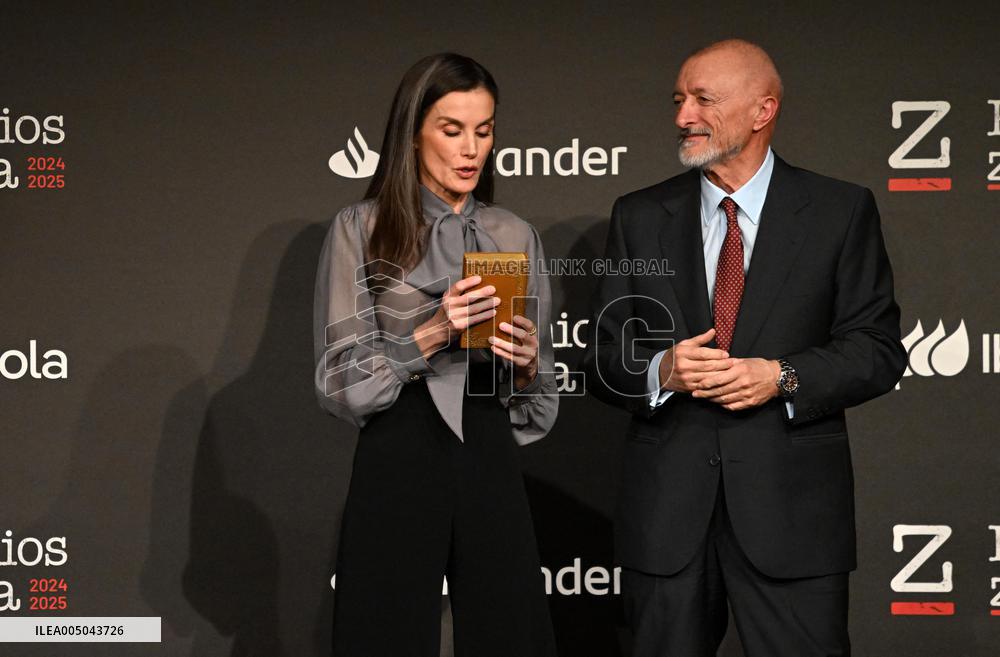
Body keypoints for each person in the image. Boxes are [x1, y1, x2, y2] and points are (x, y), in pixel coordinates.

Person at [583, 39, 906, 656]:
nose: (683, 116)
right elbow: (602, 356)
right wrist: (661, 370)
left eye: (704, 99)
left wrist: (780, 376)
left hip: (793, 515)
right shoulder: (640, 215)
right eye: (679, 99)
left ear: (763, 111)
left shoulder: (840, 211)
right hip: (667, 520)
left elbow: (877, 348)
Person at [313, 53, 559, 657]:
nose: (471, 148)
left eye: (484, 130)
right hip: (399, 449)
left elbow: (541, 397)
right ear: (413, 134)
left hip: (487, 450)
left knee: (511, 631)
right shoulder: (361, 229)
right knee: (384, 630)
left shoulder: (514, 234)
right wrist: (432, 332)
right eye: (452, 130)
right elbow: (338, 380)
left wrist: (525, 367)